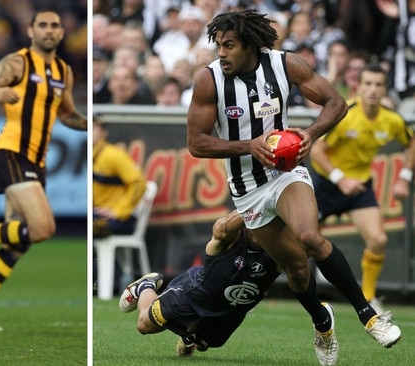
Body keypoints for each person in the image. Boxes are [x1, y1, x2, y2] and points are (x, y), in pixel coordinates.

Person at [185, 9, 401, 366]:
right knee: (297, 269)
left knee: (310, 238)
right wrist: (248, 145)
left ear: (250, 45)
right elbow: (196, 143)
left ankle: (370, 316)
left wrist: (310, 134)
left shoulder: (287, 65)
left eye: (229, 45)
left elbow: (337, 102)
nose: (221, 53)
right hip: (248, 189)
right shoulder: (208, 81)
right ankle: (321, 321)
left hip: (286, 174)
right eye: (218, 45)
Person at [0, 9, 87, 331]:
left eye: (55, 25)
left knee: (18, 242)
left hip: (37, 159)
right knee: (42, 228)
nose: (49, 31)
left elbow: (66, 114)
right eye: (43, 25)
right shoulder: (17, 63)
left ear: (62, 33)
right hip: (11, 151)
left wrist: (90, 124)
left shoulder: (63, 71)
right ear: (31, 31)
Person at [310, 63, 415, 315]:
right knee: (298, 242)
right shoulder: (346, 113)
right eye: (367, 84)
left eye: (378, 85)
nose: (372, 90)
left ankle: (368, 298)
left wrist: (404, 177)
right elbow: (316, 151)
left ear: (384, 88)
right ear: (358, 86)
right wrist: (341, 179)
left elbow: (411, 143)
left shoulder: (391, 119)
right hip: (327, 185)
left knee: (378, 239)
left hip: (359, 187)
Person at [119, 210, 282, 357]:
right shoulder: (230, 238)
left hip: (227, 315)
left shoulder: (281, 250)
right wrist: (258, 202)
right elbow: (224, 225)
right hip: (191, 297)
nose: (260, 229)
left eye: (266, 224)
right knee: (144, 325)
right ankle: (145, 286)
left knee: (207, 344)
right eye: (256, 224)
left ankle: (190, 336)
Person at [93, 115, 146, 238]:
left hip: (119, 219)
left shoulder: (113, 155)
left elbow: (139, 183)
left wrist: (119, 211)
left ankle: (99, 258)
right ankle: (96, 258)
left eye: (94, 128)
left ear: (104, 133)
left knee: (91, 227)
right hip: (99, 213)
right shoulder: (90, 155)